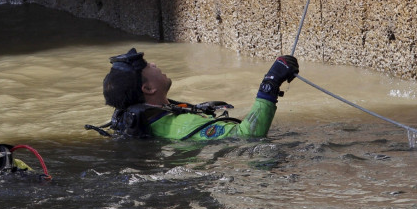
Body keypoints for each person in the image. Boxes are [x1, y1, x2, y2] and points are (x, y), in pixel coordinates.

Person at [88, 48, 299, 140]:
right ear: (149, 89)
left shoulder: (133, 121)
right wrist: (269, 85)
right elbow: (247, 136)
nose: (153, 64)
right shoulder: (183, 126)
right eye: (146, 66)